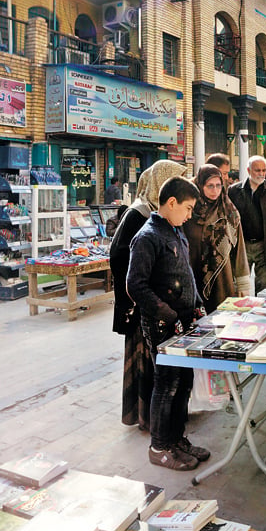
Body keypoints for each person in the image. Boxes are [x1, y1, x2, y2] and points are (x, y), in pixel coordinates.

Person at [126, 176, 210, 470]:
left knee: (183, 382)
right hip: (162, 326)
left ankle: (176, 439)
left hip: (184, 322)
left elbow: (187, 273)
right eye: (187, 208)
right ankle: (159, 446)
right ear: (171, 203)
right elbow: (135, 285)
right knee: (167, 384)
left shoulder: (176, 231)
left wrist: (198, 306)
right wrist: (168, 314)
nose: (189, 215)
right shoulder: (147, 237)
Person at [110, 159, 188, 431]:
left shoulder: (161, 213)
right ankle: (149, 420)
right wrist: (141, 297)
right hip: (144, 307)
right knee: (147, 364)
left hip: (158, 304)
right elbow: (119, 257)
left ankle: (160, 419)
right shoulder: (139, 214)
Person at [184, 164, 251, 313]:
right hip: (192, 276)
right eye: (210, 186)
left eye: (218, 186)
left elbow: (239, 251)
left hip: (222, 280)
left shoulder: (229, 212)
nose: (215, 191)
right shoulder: (188, 212)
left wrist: (243, 284)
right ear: (200, 186)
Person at [228, 155, 266, 293]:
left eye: (263, 170)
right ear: (249, 170)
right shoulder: (234, 191)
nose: (261, 174)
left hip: (265, 245)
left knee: (265, 288)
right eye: (257, 170)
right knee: (239, 287)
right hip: (242, 245)